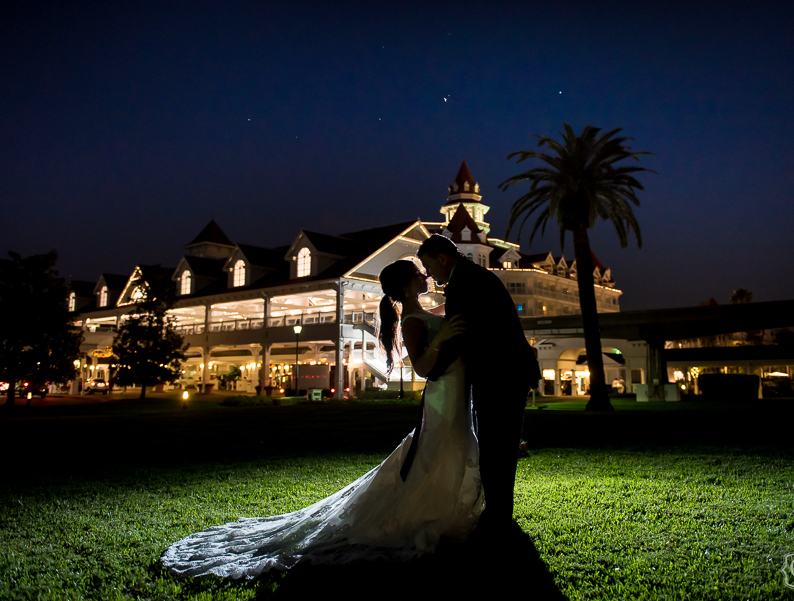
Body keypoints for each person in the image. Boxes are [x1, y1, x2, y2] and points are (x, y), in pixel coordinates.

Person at [161, 260, 480, 578]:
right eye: (417, 274)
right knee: (437, 448)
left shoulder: (422, 312)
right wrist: (442, 338)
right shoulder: (411, 320)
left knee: (442, 447)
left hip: (453, 390)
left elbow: (443, 311)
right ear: (406, 286)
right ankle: (426, 511)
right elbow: (423, 368)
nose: (425, 276)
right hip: (442, 393)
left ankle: (442, 505)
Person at [418, 234, 541, 536]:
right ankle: (499, 511)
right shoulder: (472, 278)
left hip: (500, 374)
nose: (429, 274)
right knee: (500, 442)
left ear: (443, 259)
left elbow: (460, 333)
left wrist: (431, 369)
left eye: (429, 266)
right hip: (506, 372)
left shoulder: (464, 283)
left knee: (496, 443)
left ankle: (498, 515)